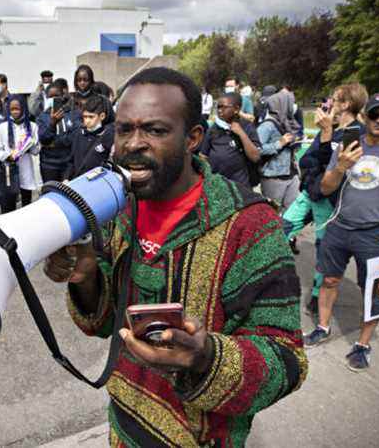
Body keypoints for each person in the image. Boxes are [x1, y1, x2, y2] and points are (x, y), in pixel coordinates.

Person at [44, 67, 306, 446]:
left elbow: (288, 361)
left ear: (193, 138)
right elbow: (102, 323)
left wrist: (206, 358)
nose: (133, 144)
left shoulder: (250, 226)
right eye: (124, 129)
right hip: (122, 430)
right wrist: (86, 278)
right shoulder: (118, 211)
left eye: (155, 130)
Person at [305, 91, 379, 372]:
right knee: (329, 280)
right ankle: (322, 327)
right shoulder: (348, 144)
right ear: (364, 115)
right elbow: (325, 188)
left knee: (375, 291)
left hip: (378, 233)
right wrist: (341, 166)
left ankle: (363, 345)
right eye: (375, 113)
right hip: (340, 225)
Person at [284, 83, 367, 316]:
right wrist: (322, 150)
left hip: (329, 202)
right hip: (310, 193)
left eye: (335, 99)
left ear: (346, 103)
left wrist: (327, 144)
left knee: (324, 250)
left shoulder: (357, 134)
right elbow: (307, 160)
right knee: (280, 228)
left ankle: (318, 295)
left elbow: (341, 169)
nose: (330, 102)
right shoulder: (327, 128)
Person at [199, 92, 261, 188]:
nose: (219, 110)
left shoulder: (247, 127)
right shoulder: (213, 129)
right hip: (218, 186)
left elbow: (255, 157)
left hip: (240, 186)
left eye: (223, 107)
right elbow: (203, 156)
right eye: (218, 107)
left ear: (236, 109)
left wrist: (241, 133)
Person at [257, 90, 301, 213]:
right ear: (281, 105)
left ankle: (286, 232)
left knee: (292, 211)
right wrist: (279, 144)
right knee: (272, 212)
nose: (292, 106)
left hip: (291, 173)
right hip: (273, 176)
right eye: (290, 103)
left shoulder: (286, 123)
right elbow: (256, 149)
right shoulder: (267, 126)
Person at [0, 94, 40, 211]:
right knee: (10, 201)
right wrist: (9, 156)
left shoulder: (32, 126)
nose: (14, 112)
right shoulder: (2, 127)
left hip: (26, 167)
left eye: (17, 109)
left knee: (26, 202)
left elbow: (36, 151)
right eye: (12, 109)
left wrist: (30, 145)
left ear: (24, 108)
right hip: (9, 169)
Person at [65, 94, 114, 180]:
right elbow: (71, 160)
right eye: (85, 117)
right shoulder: (79, 134)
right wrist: (66, 178)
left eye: (91, 117)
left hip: (100, 182)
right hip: (78, 181)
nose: (87, 121)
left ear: (102, 116)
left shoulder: (108, 136)